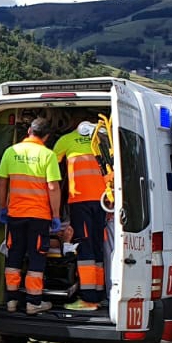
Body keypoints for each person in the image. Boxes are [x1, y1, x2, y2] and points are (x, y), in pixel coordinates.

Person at [0, 117, 66, 315]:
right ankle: (33, 302)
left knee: (14, 255)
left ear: (29, 131)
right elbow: (53, 187)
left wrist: (3, 207)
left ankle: (11, 300)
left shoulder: (11, 152)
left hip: (15, 215)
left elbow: (1, 183)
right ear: (46, 136)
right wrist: (55, 214)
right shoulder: (47, 155)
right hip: (38, 217)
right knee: (36, 258)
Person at [53, 119, 110, 309]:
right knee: (97, 246)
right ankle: (98, 293)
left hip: (80, 201)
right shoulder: (103, 140)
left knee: (84, 246)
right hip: (103, 201)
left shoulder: (66, 140)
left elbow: (51, 166)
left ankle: (88, 298)